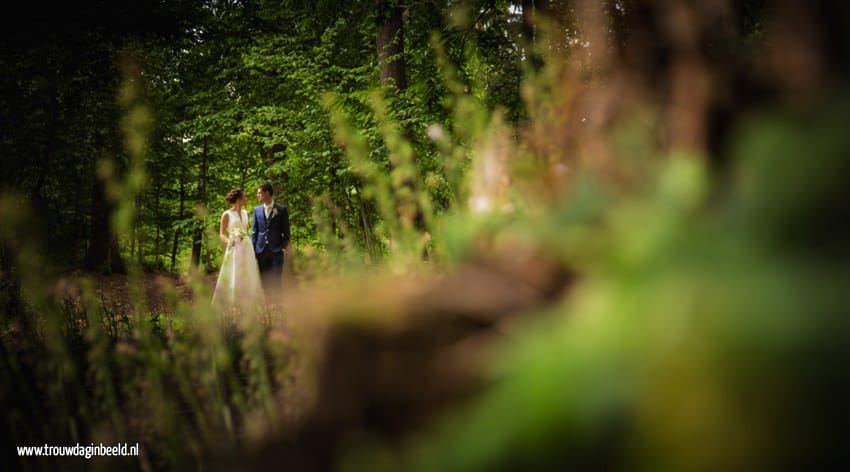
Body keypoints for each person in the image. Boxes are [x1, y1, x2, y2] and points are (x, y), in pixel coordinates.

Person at [212, 188, 264, 315]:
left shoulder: (246, 213)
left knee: (248, 273)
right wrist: (230, 241)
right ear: (239, 199)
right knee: (234, 273)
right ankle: (232, 303)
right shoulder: (226, 214)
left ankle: (248, 302)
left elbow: (246, 230)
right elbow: (221, 234)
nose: (246, 199)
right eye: (245, 197)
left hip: (247, 246)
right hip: (234, 247)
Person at [252, 182, 290, 293]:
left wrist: (283, 247)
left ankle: (277, 305)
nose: (257, 195)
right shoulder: (256, 210)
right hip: (261, 250)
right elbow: (255, 232)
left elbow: (286, 232)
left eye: (259, 193)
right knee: (264, 279)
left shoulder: (281, 210)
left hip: (276, 250)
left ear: (267, 193)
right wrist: (253, 249)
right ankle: (268, 306)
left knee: (276, 279)